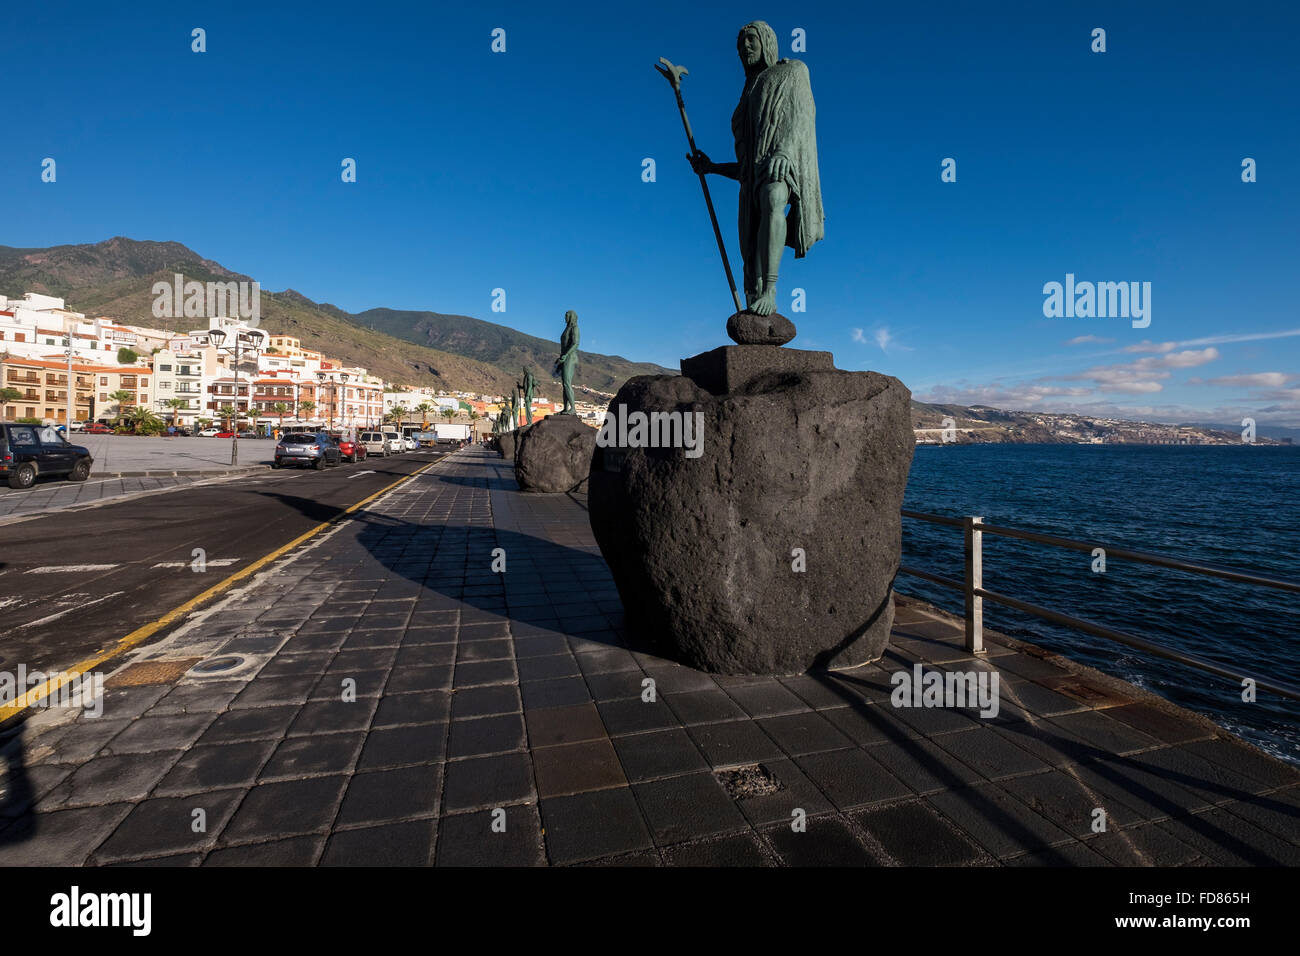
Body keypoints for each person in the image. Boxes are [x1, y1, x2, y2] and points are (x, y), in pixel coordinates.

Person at [688, 20, 824, 317]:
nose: (743, 47)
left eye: (750, 39)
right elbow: (746, 169)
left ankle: (770, 290)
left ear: (767, 41)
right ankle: (756, 293)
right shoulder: (745, 97)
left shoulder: (792, 71)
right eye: (739, 44)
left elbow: (802, 118)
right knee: (749, 254)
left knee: (775, 196)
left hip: (781, 164)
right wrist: (710, 168)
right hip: (752, 183)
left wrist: (785, 152)